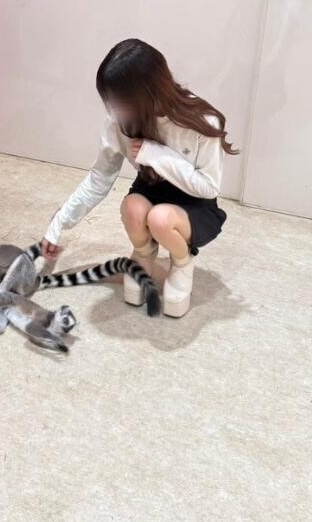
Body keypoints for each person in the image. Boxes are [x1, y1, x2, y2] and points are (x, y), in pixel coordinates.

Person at [41, 39, 237, 318]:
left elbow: (208, 187)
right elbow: (100, 177)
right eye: (111, 100)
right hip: (151, 191)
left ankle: (182, 262)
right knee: (132, 208)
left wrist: (156, 154)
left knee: (160, 219)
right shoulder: (119, 122)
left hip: (194, 204)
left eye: (120, 100)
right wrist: (59, 223)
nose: (114, 109)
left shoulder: (202, 121)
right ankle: (144, 253)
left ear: (148, 91)